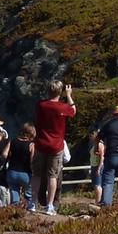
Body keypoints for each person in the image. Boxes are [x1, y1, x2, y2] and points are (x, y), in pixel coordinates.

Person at [33, 79, 76, 216]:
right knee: (53, 176)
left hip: (40, 144)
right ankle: (50, 205)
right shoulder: (63, 107)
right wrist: (69, 95)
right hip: (56, 146)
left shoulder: (41, 105)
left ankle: (32, 203)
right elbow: (73, 111)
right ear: (60, 92)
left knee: (37, 175)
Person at [5, 123, 38, 211]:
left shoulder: (13, 141)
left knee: (14, 195)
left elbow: (4, 154)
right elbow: (32, 160)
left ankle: (15, 212)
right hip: (25, 174)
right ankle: (29, 210)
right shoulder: (31, 145)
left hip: (12, 172)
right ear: (31, 134)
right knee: (28, 194)